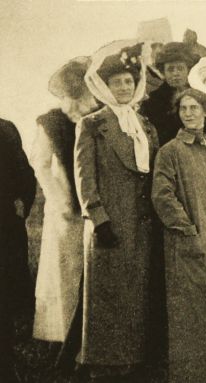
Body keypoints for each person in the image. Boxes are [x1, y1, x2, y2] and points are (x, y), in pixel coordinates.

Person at [73, 40, 159, 381]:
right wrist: (98, 218)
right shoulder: (93, 124)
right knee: (108, 293)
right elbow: (84, 176)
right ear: (105, 87)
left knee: (136, 291)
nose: (124, 87)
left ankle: (133, 357)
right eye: (117, 83)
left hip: (141, 222)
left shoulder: (144, 124)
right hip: (109, 221)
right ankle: (103, 362)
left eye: (128, 82)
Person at [152, 88, 206, 382]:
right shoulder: (170, 151)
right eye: (184, 109)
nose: (189, 113)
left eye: (194, 108)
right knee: (195, 315)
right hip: (190, 245)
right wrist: (190, 232)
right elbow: (162, 197)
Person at [30, 56, 98, 343]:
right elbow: (41, 164)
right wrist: (62, 201)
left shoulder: (93, 119)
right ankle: (59, 331)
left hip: (90, 204)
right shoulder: (52, 123)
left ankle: (86, 331)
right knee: (63, 265)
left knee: (89, 266)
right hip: (63, 205)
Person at [0, 118, 36, 383]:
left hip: (5, 227)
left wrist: (22, 204)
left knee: (5, 295)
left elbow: (25, 174)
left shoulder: (6, 129)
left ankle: (5, 359)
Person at [140, 41, 201, 146]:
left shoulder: (198, 96)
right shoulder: (153, 101)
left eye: (180, 68)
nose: (176, 73)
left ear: (188, 70)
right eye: (170, 69)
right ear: (163, 72)